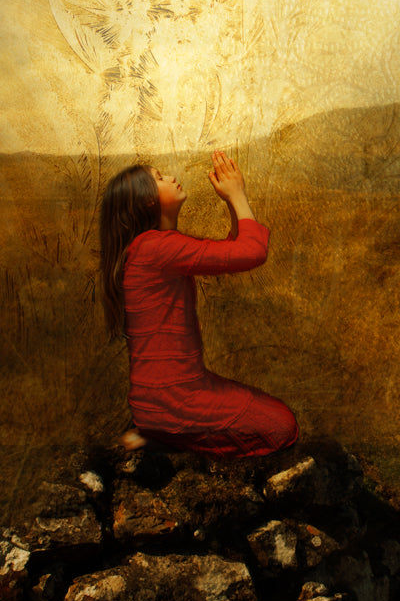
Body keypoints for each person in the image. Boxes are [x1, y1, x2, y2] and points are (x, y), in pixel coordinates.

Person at [99, 150, 298, 458]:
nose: (171, 177)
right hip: (175, 399)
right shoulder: (156, 248)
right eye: (160, 177)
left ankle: (157, 433)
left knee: (269, 414)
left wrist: (231, 201)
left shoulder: (152, 247)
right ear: (147, 200)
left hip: (163, 397)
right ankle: (168, 435)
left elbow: (235, 249)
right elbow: (251, 252)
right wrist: (238, 195)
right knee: (281, 426)